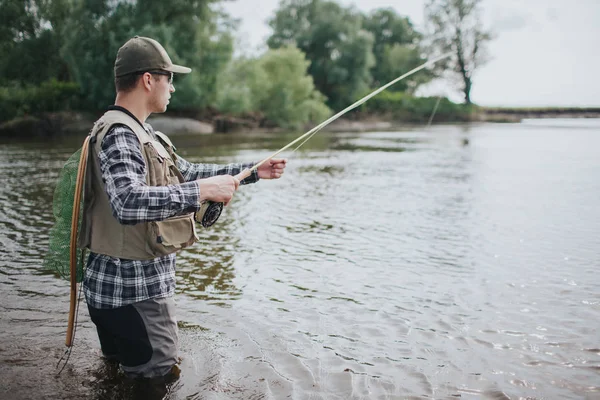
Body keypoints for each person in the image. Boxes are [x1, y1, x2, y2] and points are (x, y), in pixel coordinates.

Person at [78, 36, 286, 379]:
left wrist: (253, 171)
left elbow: (187, 173)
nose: (172, 88)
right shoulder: (122, 135)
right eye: (168, 79)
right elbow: (127, 201)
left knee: (116, 378)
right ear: (148, 80)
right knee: (158, 376)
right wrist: (202, 190)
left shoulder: (145, 134)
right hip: (134, 293)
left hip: (113, 292)